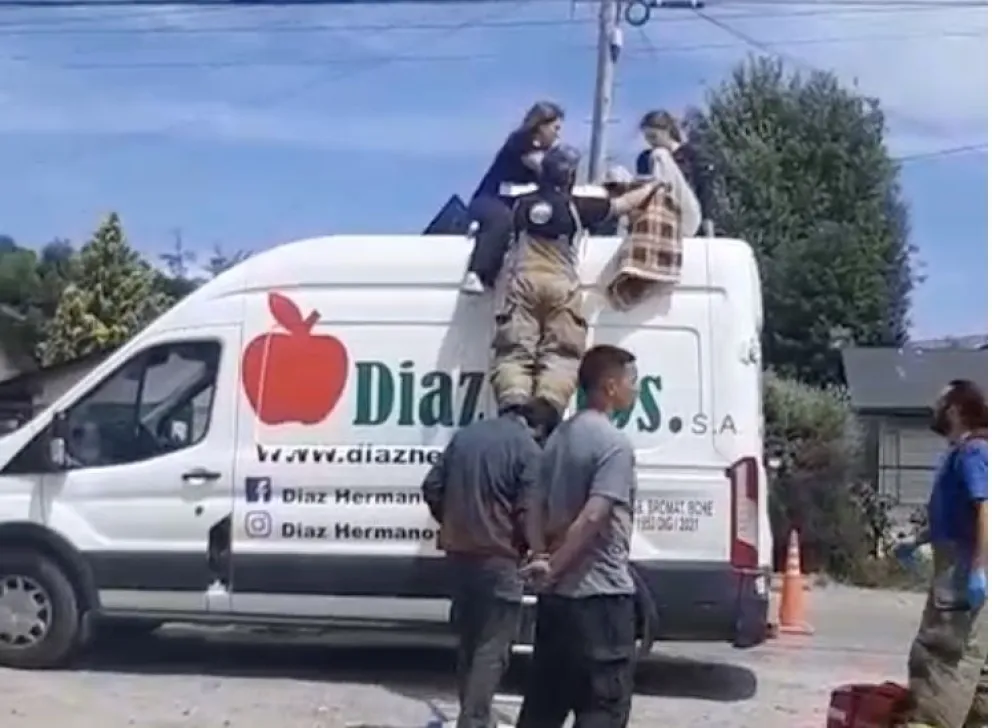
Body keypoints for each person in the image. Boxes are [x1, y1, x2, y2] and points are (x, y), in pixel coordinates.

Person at [489, 146, 666, 421]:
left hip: (522, 283)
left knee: (514, 350)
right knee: (561, 352)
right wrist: (654, 186)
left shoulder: (520, 204)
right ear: (569, 176)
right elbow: (623, 205)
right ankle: (546, 409)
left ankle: (513, 407)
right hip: (561, 284)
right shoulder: (577, 206)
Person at [515, 344, 640, 728]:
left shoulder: (556, 439)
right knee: (603, 706)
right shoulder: (613, 445)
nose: (637, 390)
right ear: (610, 386)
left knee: (544, 703)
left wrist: (540, 555)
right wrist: (554, 565)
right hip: (599, 597)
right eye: (633, 382)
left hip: (556, 603)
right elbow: (594, 517)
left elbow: (532, 501)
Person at [420, 398, 557, 728]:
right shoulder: (527, 449)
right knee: (492, 647)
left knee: (469, 641)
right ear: (540, 429)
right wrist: (535, 550)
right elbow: (528, 509)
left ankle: (474, 715)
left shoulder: (465, 436)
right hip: (499, 557)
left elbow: (432, 486)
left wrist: (452, 523)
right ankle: (475, 720)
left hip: (458, 554)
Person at [894, 379, 987, 728]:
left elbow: (985, 510)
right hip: (960, 564)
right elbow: (954, 514)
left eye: (939, 402)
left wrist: (978, 570)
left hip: (962, 572)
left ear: (955, 409)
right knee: (978, 668)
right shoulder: (963, 453)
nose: (933, 410)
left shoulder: (973, 452)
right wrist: (916, 541)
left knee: (940, 661)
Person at [462, 101, 565, 295]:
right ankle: (475, 272)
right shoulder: (520, 143)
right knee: (501, 220)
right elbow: (540, 166)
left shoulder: (544, 152)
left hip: (512, 205)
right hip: (489, 201)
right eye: (555, 128)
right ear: (541, 126)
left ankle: (493, 278)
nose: (558, 134)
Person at [635, 110, 702, 238]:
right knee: (616, 173)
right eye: (647, 138)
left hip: (683, 215)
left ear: (667, 131)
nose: (651, 142)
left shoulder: (689, 154)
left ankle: (661, 211)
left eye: (654, 137)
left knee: (660, 154)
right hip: (652, 216)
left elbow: (703, 189)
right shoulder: (644, 158)